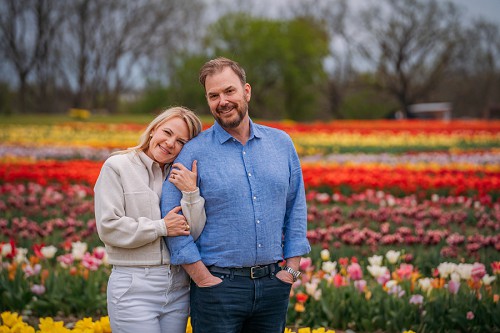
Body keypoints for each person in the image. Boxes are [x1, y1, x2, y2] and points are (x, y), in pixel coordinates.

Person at [161, 57, 310, 333]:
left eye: (229, 91)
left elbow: (296, 208)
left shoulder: (281, 144)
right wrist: (202, 278)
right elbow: (172, 220)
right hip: (217, 289)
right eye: (213, 95)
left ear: (247, 91)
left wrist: (291, 271)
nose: (223, 101)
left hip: (273, 285)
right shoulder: (192, 152)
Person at [94, 106, 205, 333]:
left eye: (182, 141)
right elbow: (109, 227)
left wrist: (191, 193)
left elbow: (193, 231)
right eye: (167, 132)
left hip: (178, 287)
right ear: (153, 130)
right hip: (135, 286)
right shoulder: (118, 167)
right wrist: (161, 227)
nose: (171, 143)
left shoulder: (181, 176)